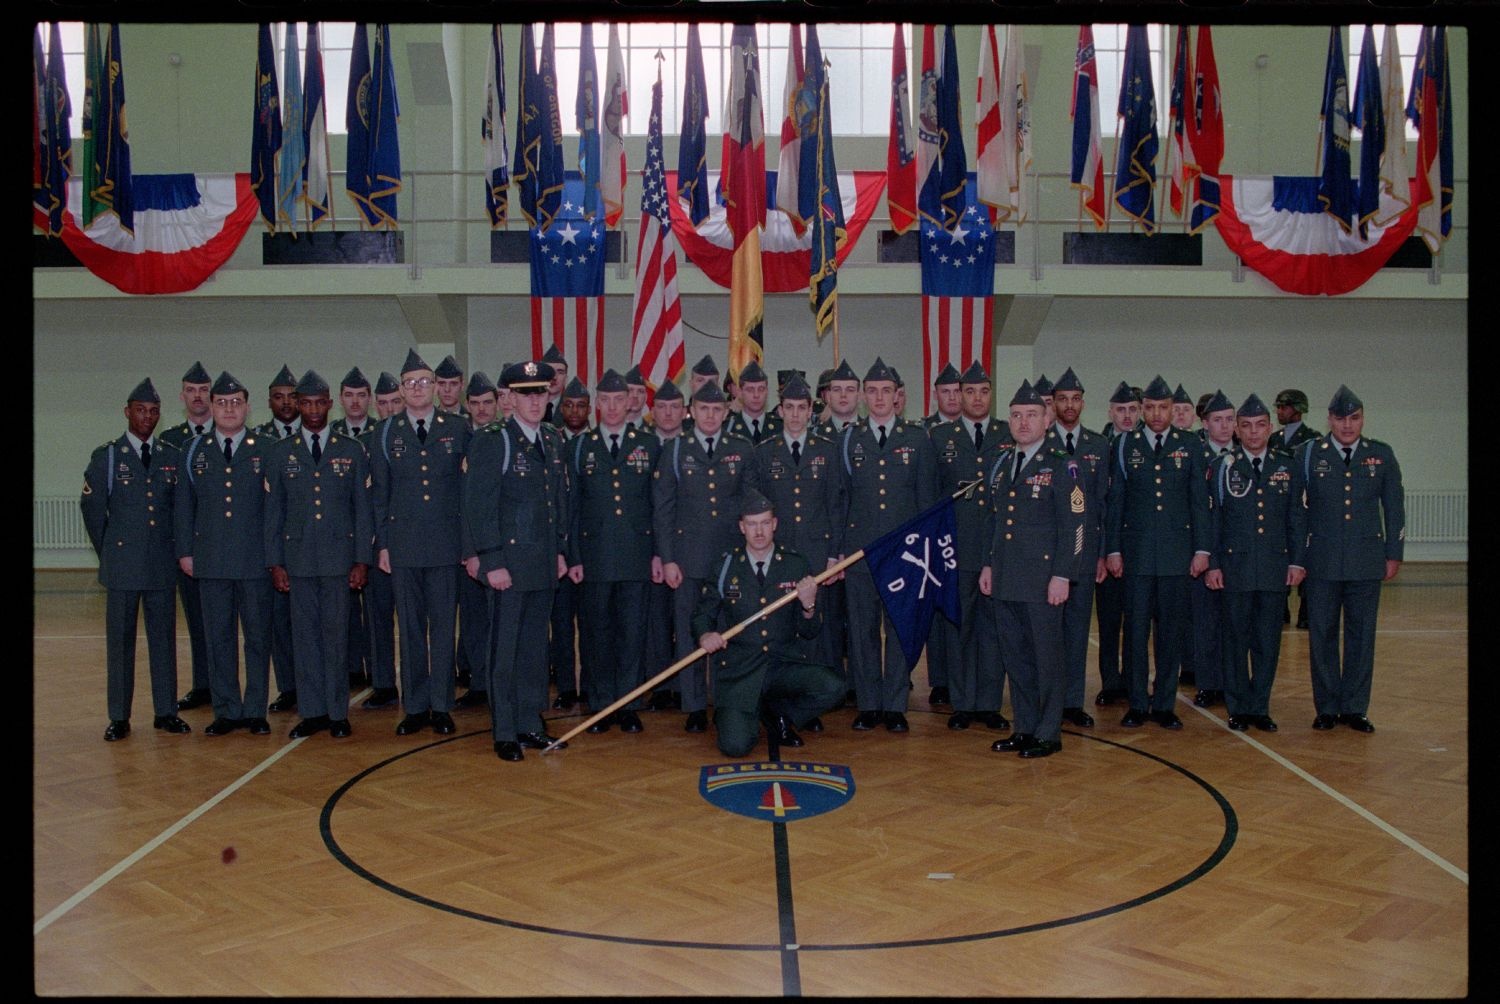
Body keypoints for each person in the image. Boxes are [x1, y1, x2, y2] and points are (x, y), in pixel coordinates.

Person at [463, 360, 572, 762]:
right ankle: (504, 729)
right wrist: (491, 560)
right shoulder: (495, 440)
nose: (535, 401)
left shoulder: (552, 438)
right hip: (508, 564)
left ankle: (530, 722)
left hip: (542, 563)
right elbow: (478, 505)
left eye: (541, 392)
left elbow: (556, 502)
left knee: (533, 651)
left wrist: (561, 552)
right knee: (504, 650)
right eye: (526, 393)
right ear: (508, 397)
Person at [264, 371, 374, 739]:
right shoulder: (281, 452)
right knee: (305, 638)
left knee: (336, 636)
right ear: (296, 406)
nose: (312, 410)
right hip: (298, 561)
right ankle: (312, 712)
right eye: (305, 403)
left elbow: (363, 510)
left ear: (330, 405)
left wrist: (361, 560)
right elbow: (273, 513)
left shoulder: (351, 450)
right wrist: (275, 562)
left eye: (319, 403)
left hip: (338, 559)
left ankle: (338, 712)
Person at [693, 491, 845, 756]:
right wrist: (705, 634)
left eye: (764, 523)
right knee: (735, 746)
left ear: (775, 524)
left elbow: (809, 631)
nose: (759, 531)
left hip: (781, 665)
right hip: (740, 671)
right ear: (742, 527)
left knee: (834, 687)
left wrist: (809, 605)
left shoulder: (795, 564)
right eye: (752, 524)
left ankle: (779, 714)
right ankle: (740, 711)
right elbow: (702, 613)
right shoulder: (726, 565)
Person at [980, 380, 1087, 758]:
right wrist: (988, 565)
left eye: (1031, 415)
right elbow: (996, 521)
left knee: (1047, 659)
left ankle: (1048, 731)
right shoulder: (1004, 461)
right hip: (1008, 576)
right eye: (1016, 415)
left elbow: (1076, 524)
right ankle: (1024, 727)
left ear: (1047, 419)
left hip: (1043, 581)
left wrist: (1063, 575)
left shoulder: (1062, 464)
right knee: (1016, 658)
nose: (1023, 422)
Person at [81, 378, 191, 742]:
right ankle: (119, 716)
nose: (147, 417)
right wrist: (110, 552)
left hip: (160, 564)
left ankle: (165, 711)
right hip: (123, 565)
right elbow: (94, 511)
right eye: (141, 410)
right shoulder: (108, 457)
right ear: (127, 412)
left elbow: (178, 512)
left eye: (154, 411)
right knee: (120, 643)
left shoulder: (169, 456)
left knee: (164, 641)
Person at [369, 349, 471, 737]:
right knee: (410, 629)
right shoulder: (384, 433)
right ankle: (415, 706)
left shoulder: (458, 429)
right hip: (404, 545)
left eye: (424, 382)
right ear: (401, 389)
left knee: (444, 627)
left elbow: (466, 493)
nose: (417, 389)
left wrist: (468, 545)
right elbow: (380, 493)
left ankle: (442, 705)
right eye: (410, 383)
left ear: (436, 388)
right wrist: (382, 544)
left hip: (446, 544)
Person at [1105, 375, 1212, 730]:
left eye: (1162, 407)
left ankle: (1164, 704)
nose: (1155, 414)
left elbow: (1200, 502)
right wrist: (1113, 550)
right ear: (1141, 410)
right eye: (1148, 408)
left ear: (1173, 410)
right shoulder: (1125, 445)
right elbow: (1115, 502)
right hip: (1135, 555)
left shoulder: (1190, 445)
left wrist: (1201, 549)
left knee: (1171, 633)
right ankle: (1137, 702)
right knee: (1135, 633)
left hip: (1176, 555)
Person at [172, 371, 274, 737]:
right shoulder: (194, 451)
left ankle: (255, 709)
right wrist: (185, 551)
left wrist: (274, 556)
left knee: (258, 637)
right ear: (212, 407)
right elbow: (184, 507)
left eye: (236, 403)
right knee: (218, 637)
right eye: (222, 403)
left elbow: (275, 508)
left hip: (254, 560)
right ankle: (227, 709)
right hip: (211, 560)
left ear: (247, 407)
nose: (229, 409)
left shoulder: (266, 449)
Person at [1298, 386, 1404, 733]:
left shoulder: (1381, 455)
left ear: (1362, 419)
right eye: (1341, 418)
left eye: (1354, 418)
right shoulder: (1309, 454)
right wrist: (1298, 558)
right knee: (1322, 635)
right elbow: (1296, 512)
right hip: (1323, 561)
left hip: (1366, 560)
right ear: (1329, 419)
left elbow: (1394, 508)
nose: (1347, 425)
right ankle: (1327, 707)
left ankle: (1355, 708)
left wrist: (1393, 553)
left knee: (1361, 636)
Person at [839, 358, 937, 733]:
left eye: (887, 391)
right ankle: (868, 703)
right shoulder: (851, 439)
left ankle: (895, 704)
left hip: (904, 555)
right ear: (864, 397)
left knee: (899, 629)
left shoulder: (916, 439)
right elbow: (842, 498)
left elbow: (927, 501)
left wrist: (923, 553)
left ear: (898, 397)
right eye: (873, 391)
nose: (880, 398)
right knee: (862, 632)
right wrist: (842, 550)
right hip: (861, 553)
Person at [653, 381, 756, 732]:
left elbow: (750, 505)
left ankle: (726, 701)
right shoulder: (676, 450)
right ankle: (694, 704)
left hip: (730, 560)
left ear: (726, 413)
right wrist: (667, 559)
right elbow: (663, 510)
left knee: (730, 631)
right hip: (686, 559)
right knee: (688, 631)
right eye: (703, 409)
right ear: (691, 411)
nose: (710, 416)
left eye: (717, 410)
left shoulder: (741, 449)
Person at [1203, 393, 1306, 733]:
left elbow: (1296, 518)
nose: (1253, 432)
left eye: (1260, 426)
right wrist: (1214, 563)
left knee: (1267, 640)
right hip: (1236, 567)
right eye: (1245, 426)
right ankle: (1238, 706)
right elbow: (1214, 519)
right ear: (1236, 430)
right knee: (1235, 639)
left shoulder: (1286, 465)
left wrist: (1297, 562)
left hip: (1274, 567)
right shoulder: (1224, 466)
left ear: (1270, 428)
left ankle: (1259, 706)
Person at [567, 369, 661, 734]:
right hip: (595, 557)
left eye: (618, 400)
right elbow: (572, 506)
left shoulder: (649, 444)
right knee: (596, 633)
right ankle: (601, 705)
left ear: (630, 402)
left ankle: (629, 704)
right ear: (596, 405)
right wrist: (574, 555)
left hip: (637, 554)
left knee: (632, 633)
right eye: (604, 400)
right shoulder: (580, 446)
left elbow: (657, 506)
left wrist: (657, 554)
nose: (612, 406)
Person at [751, 374, 845, 729]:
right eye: (788, 408)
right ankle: (777, 701)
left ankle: (811, 708)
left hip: (818, 553)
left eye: (801, 408)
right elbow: (758, 509)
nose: (794, 414)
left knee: (818, 630)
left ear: (810, 411)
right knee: (780, 629)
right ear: (780, 411)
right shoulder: (765, 452)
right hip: (779, 555)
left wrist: (835, 554)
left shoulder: (828, 449)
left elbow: (837, 505)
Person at [929, 362, 1012, 731]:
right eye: (969, 392)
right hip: (956, 550)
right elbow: (931, 497)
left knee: (993, 631)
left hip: (998, 550)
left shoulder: (1008, 435)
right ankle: (962, 702)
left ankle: (989, 704)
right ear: (958, 396)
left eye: (983, 392)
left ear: (990, 396)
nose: (977, 398)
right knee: (958, 628)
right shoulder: (939, 437)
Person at [1044, 367, 1107, 727]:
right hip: (1050, 556)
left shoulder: (1098, 445)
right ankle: (1047, 699)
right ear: (1053, 404)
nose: (1070, 405)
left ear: (1083, 402)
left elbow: (1102, 503)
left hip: (1085, 556)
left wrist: (1101, 552)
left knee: (1078, 632)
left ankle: (1071, 702)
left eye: (1076, 399)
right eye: (1063, 399)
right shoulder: (1042, 443)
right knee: (1048, 633)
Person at [156, 361, 214, 711]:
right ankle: (202, 684)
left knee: (227, 622)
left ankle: (227, 686)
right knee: (195, 619)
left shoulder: (226, 436)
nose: (197, 396)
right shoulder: (170, 442)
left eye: (203, 390)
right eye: (191, 391)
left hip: (222, 544)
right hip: (188, 548)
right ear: (182, 397)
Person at [1185, 389, 1238, 707]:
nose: (1225, 426)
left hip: (1238, 553)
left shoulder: (1245, 456)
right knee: (1205, 622)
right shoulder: (1196, 455)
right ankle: (1208, 683)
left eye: (1230, 420)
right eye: (1217, 420)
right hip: (1204, 549)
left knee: (1234, 622)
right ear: (1204, 423)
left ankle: (1232, 681)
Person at [254, 363, 302, 714]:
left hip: (310, 545)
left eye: (291, 397)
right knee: (280, 624)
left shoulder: (321, 438)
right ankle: (288, 687)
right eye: (278, 398)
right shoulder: (261, 443)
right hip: (275, 547)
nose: (285, 403)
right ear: (268, 402)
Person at [1095, 380, 1141, 709]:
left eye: (1132, 410)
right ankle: (1111, 682)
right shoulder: (1099, 446)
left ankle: (1134, 681)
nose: (1126, 416)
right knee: (1109, 621)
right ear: (1110, 412)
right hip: (1106, 546)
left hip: (1138, 549)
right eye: (1120, 410)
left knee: (1137, 622)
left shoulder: (1149, 447)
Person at [360, 372, 403, 710]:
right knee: (379, 618)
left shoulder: (410, 438)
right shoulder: (369, 440)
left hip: (409, 541)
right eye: (384, 403)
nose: (389, 409)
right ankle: (384, 682)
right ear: (377, 405)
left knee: (415, 619)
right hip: (378, 543)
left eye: (395, 403)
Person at [456, 371, 499, 708]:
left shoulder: (505, 437)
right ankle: (479, 682)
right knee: (472, 619)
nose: (482, 410)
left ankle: (498, 680)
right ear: (466, 405)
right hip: (464, 545)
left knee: (498, 619)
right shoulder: (456, 439)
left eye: (488, 403)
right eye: (475, 404)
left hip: (499, 546)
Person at [331, 367, 373, 691]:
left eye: (361, 395)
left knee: (373, 610)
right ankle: (349, 668)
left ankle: (375, 670)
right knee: (342, 612)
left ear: (369, 400)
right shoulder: (330, 436)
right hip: (338, 536)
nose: (355, 401)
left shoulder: (381, 433)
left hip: (372, 534)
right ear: (340, 399)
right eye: (349, 395)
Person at [551, 377, 592, 708]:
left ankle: (591, 685)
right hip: (558, 549)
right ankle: (566, 686)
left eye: (580, 405)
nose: (574, 411)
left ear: (589, 409)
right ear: (560, 408)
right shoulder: (550, 442)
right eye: (569, 405)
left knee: (592, 625)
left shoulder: (595, 443)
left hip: (591, 549)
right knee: (561, 625)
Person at [645, 380, 686, 710]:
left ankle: (686, 685)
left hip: (684, 548)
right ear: (652, 411)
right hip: (648, 547)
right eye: (662, 407)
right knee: (657, 621)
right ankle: (660, 685)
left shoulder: (693, 447)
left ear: (685, 411)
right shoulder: (641, 446)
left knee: (685, 620)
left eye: (675, 407)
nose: (668, 413)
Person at [1270, 388, 1319, 629]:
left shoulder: (1312, 439)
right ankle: (1280, 610)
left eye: (1285, 407)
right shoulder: (1274, 439)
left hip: (1304, 506)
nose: (1280, 411)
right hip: (1278, 508)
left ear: (1298, 409)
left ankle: (1307, 612)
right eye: (1278, 407)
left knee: (1305, 560)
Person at [724, 360, 781, 444]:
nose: (756, 395)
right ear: (740, 392)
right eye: (750, 389)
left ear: (767, 391)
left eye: (761, 389)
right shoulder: (727, 428)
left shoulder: (780, 428)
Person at [923, 363, 963, 430]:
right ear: (935, 395)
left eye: (957, 391)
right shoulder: (924, 428)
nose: (952, 397)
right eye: (945, 391)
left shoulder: (977, 426)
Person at [540, 345, 569, 425]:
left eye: (560, 372)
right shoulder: (530, 404)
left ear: (566, 379)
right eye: (549, 371)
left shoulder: (572, 409)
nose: (554, 377)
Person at [624, 365, 650, 430]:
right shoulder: (606, 432)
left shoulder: (655, 436)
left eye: (640, 391)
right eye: (630, 390)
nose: (635, 395)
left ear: (646, 398)